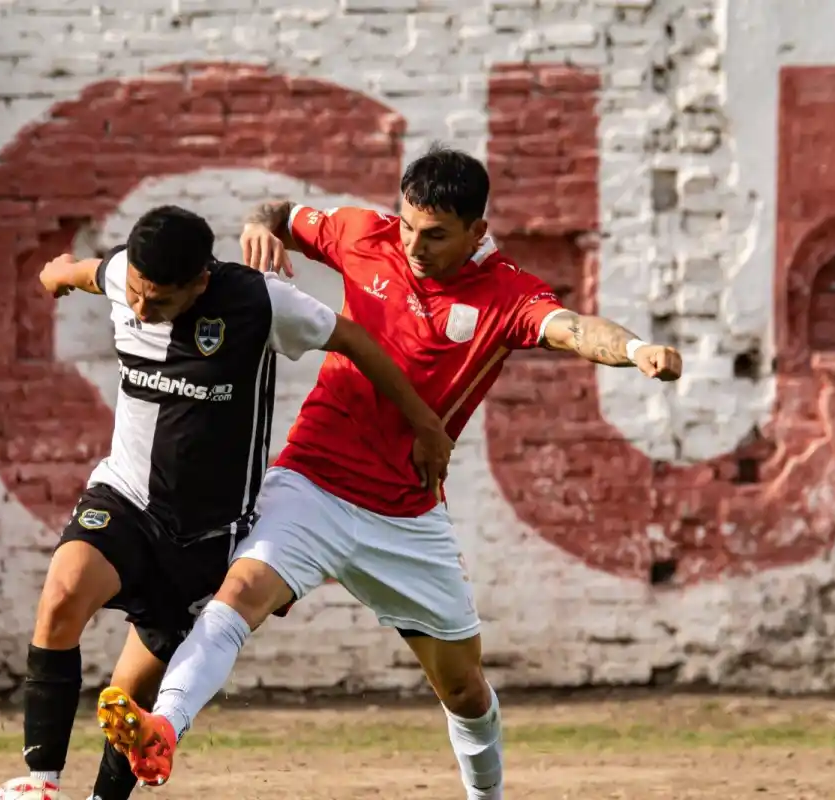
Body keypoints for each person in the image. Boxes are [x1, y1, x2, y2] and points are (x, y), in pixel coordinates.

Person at [95, 146, 684, 798]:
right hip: (311, 483)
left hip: (406, 515)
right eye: (407, 224)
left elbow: (572, 328)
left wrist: (636, 351)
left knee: (463, 688)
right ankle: (164, 730)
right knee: (237, 596)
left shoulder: (508, 293)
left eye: (434, 235)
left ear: (476, 233)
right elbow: (282, 213)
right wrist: (261, 225)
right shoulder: (363, 234)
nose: (414, 244)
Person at [0, 204, 453, 800]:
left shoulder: (260, 304)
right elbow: (82, 273)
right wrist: (55, 275)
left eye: (158, 301)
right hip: (126, 498)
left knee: (132, 698)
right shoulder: (122, 276)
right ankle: (40, 785)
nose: (141, 309)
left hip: (205, 539)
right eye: (135, 292)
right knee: (61, 596)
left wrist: (424, 424)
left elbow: (353, 340)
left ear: (200, 283)